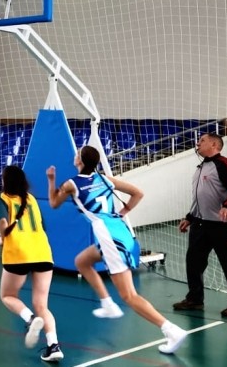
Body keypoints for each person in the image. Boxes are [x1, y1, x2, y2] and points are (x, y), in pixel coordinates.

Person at [47, 145, 187, 355]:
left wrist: (51, 180)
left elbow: (53, 203)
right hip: (120, 231)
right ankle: (107, 303)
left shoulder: (71, 184)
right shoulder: (104, 179)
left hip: (109, 238)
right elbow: (138, 193)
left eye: (77, 153)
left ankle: (171, 330)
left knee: (129, 296)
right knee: (82, 261)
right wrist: (123, 212)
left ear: (80, 161)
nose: (75, 155)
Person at [173, 132, 227, 317]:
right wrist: (189, 217)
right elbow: (199, 198)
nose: (198, 143)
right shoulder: (200, 168)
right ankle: (195, 300)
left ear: (214, 145)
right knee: (193, 263)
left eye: (202, 141)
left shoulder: (225, 164)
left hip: (222, 226)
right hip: (200, 225)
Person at [0, 165, 64, 362]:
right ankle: (54, 346)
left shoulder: (1, 198)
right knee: (42, 305)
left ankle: (30, 318)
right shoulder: (31, 199)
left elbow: (3, 223)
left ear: (5, 181)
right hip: (42, 252)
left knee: (8, 296)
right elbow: (42, 227)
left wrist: (2, 236)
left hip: (19, 253)